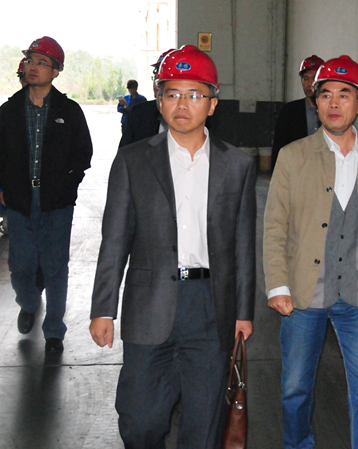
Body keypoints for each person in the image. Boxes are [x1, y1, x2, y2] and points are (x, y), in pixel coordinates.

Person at [89, 45, 257, 448]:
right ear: (159, 100)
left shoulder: (237, 165)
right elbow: (114, 240)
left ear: (212, 104)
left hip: (210, 305)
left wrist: (243, 311)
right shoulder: (133, 161)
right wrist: (103, 309)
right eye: (172, 93)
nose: (183, 104)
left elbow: (243, 245)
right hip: (150, 303)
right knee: (140, 420)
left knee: (204, 425)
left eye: (194, 94)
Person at [264, 55, 358, 449]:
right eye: (325, 94)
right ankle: (298, 444)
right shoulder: (293, 156)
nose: (334, 103)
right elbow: (274, 226)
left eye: (344, 94)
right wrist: (278, 285)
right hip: (304, 293)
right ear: (316, 101)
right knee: (295, 387)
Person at [0, 36, 93, 353]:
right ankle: (30, 303)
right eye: (30, 60)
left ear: (56, 71)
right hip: (20, 201)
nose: (33, 66)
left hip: (56, 203)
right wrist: (6, 185)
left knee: (56, 266)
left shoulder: (69, 111)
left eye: (42, 62)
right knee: (21, 265)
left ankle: (54, 330)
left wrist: (67, 186)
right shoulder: (9, 110)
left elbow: (82, 154)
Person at [271, 54, 324, 168]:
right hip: (297, 170)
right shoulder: (290, 111)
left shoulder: (331, 110)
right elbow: (279, 146)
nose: (309, 83)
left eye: (314, 78)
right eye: (305, 78)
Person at [117, 79, 147, 147]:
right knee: (126, 143)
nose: (130, 91)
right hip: (126, 123)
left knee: (136, 143)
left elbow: (144, 111)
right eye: (129, 89)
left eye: (132, 89)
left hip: (137, 124)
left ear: (136, 88)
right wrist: (125, 109)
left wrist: (132, 109)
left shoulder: (142, 99)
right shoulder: (125, 98)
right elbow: (119, 108)